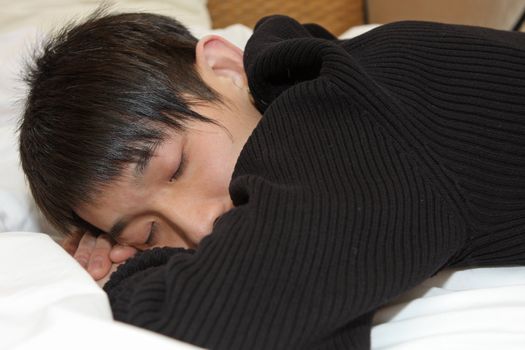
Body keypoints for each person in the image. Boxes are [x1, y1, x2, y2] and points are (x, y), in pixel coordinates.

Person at [19, 10, 525, 350]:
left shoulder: (348, 113)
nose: (199, 226)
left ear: (225, 67)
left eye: (177, 167)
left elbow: (202, 325)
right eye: (148, 234)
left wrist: (123, 277)